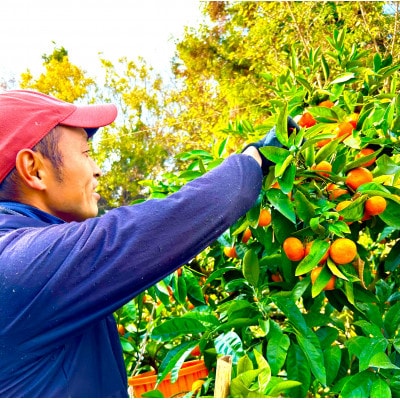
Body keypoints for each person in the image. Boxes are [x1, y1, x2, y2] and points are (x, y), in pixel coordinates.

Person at [0, 89, 296, 397]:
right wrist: (256, 157)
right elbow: (181, 215)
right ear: (34, 170)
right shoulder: (19, 264)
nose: (97, 169)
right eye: (86, 153)